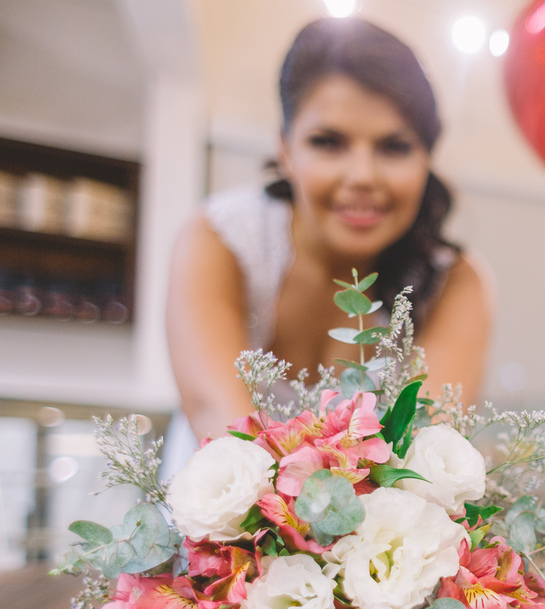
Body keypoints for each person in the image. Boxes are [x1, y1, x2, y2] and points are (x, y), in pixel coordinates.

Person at [166, 18, 492, 450]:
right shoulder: (218, 239)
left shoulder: (456, 282)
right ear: (285, 148)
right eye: (328, 142)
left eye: (394, 147)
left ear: (426, 159)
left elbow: (428, 456)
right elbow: (219, 421)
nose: (362, 176)